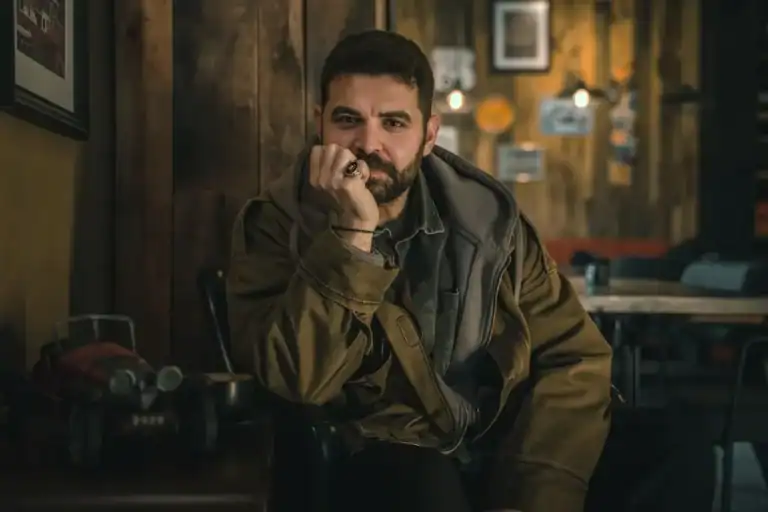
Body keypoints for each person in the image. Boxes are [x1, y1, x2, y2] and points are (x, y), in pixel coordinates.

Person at [227, 30, 612, 512]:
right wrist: (351, 235)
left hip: (497, 437)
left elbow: (575, 356)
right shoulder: (277, 222)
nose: (369, 144)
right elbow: (298, 380)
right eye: (348, 120)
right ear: (319, 123)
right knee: (422, 480)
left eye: (394, 123)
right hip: (377, 453)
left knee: (677, 447)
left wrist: (538, 488)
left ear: (429, 135)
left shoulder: (488, 221)